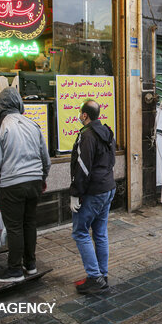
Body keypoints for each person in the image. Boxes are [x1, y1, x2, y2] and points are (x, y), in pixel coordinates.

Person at [0, 88, 51, 282]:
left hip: (12, 184)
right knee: (29, 223)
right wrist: (42, 179)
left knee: (14, 227)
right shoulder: (33, 124)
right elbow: (45, 159)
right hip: (34, 182)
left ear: (0, 106)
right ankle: (30, 265)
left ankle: (14, 270)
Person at [70, 100, 116, 294]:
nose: (80, 116)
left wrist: (75, 194)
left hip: (93, 192)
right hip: (108, 187)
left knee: (80, 232)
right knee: (99, 232)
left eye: (81, 113)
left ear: (85, 115)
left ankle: (95, 277)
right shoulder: (107, 133)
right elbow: (111, 161)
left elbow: (82, 168)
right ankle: (102, 275)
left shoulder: (86, 135)